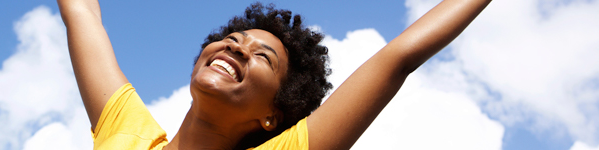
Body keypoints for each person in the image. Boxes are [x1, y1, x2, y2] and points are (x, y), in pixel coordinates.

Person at [57, 0, 491, 149]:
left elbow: (397, 58)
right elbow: (82, 14)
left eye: (263, 56)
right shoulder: (127, 132)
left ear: (273, 116)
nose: (237, 46)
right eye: (234, 37)